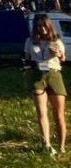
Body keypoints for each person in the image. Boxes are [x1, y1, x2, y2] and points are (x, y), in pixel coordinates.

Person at [26, 14, 67, 155]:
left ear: (49, 26)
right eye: (39, 26)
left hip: (54, 74)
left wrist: (59, 54)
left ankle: (61, 147)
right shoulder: (30, 41)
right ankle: (47, 145)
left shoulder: (56, 41)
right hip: (38, 76)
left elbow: (63, 58)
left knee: (59, 114)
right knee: (42, 112)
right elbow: (27, 58)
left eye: (44, 25)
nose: (42, 28)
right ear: (35, 27)